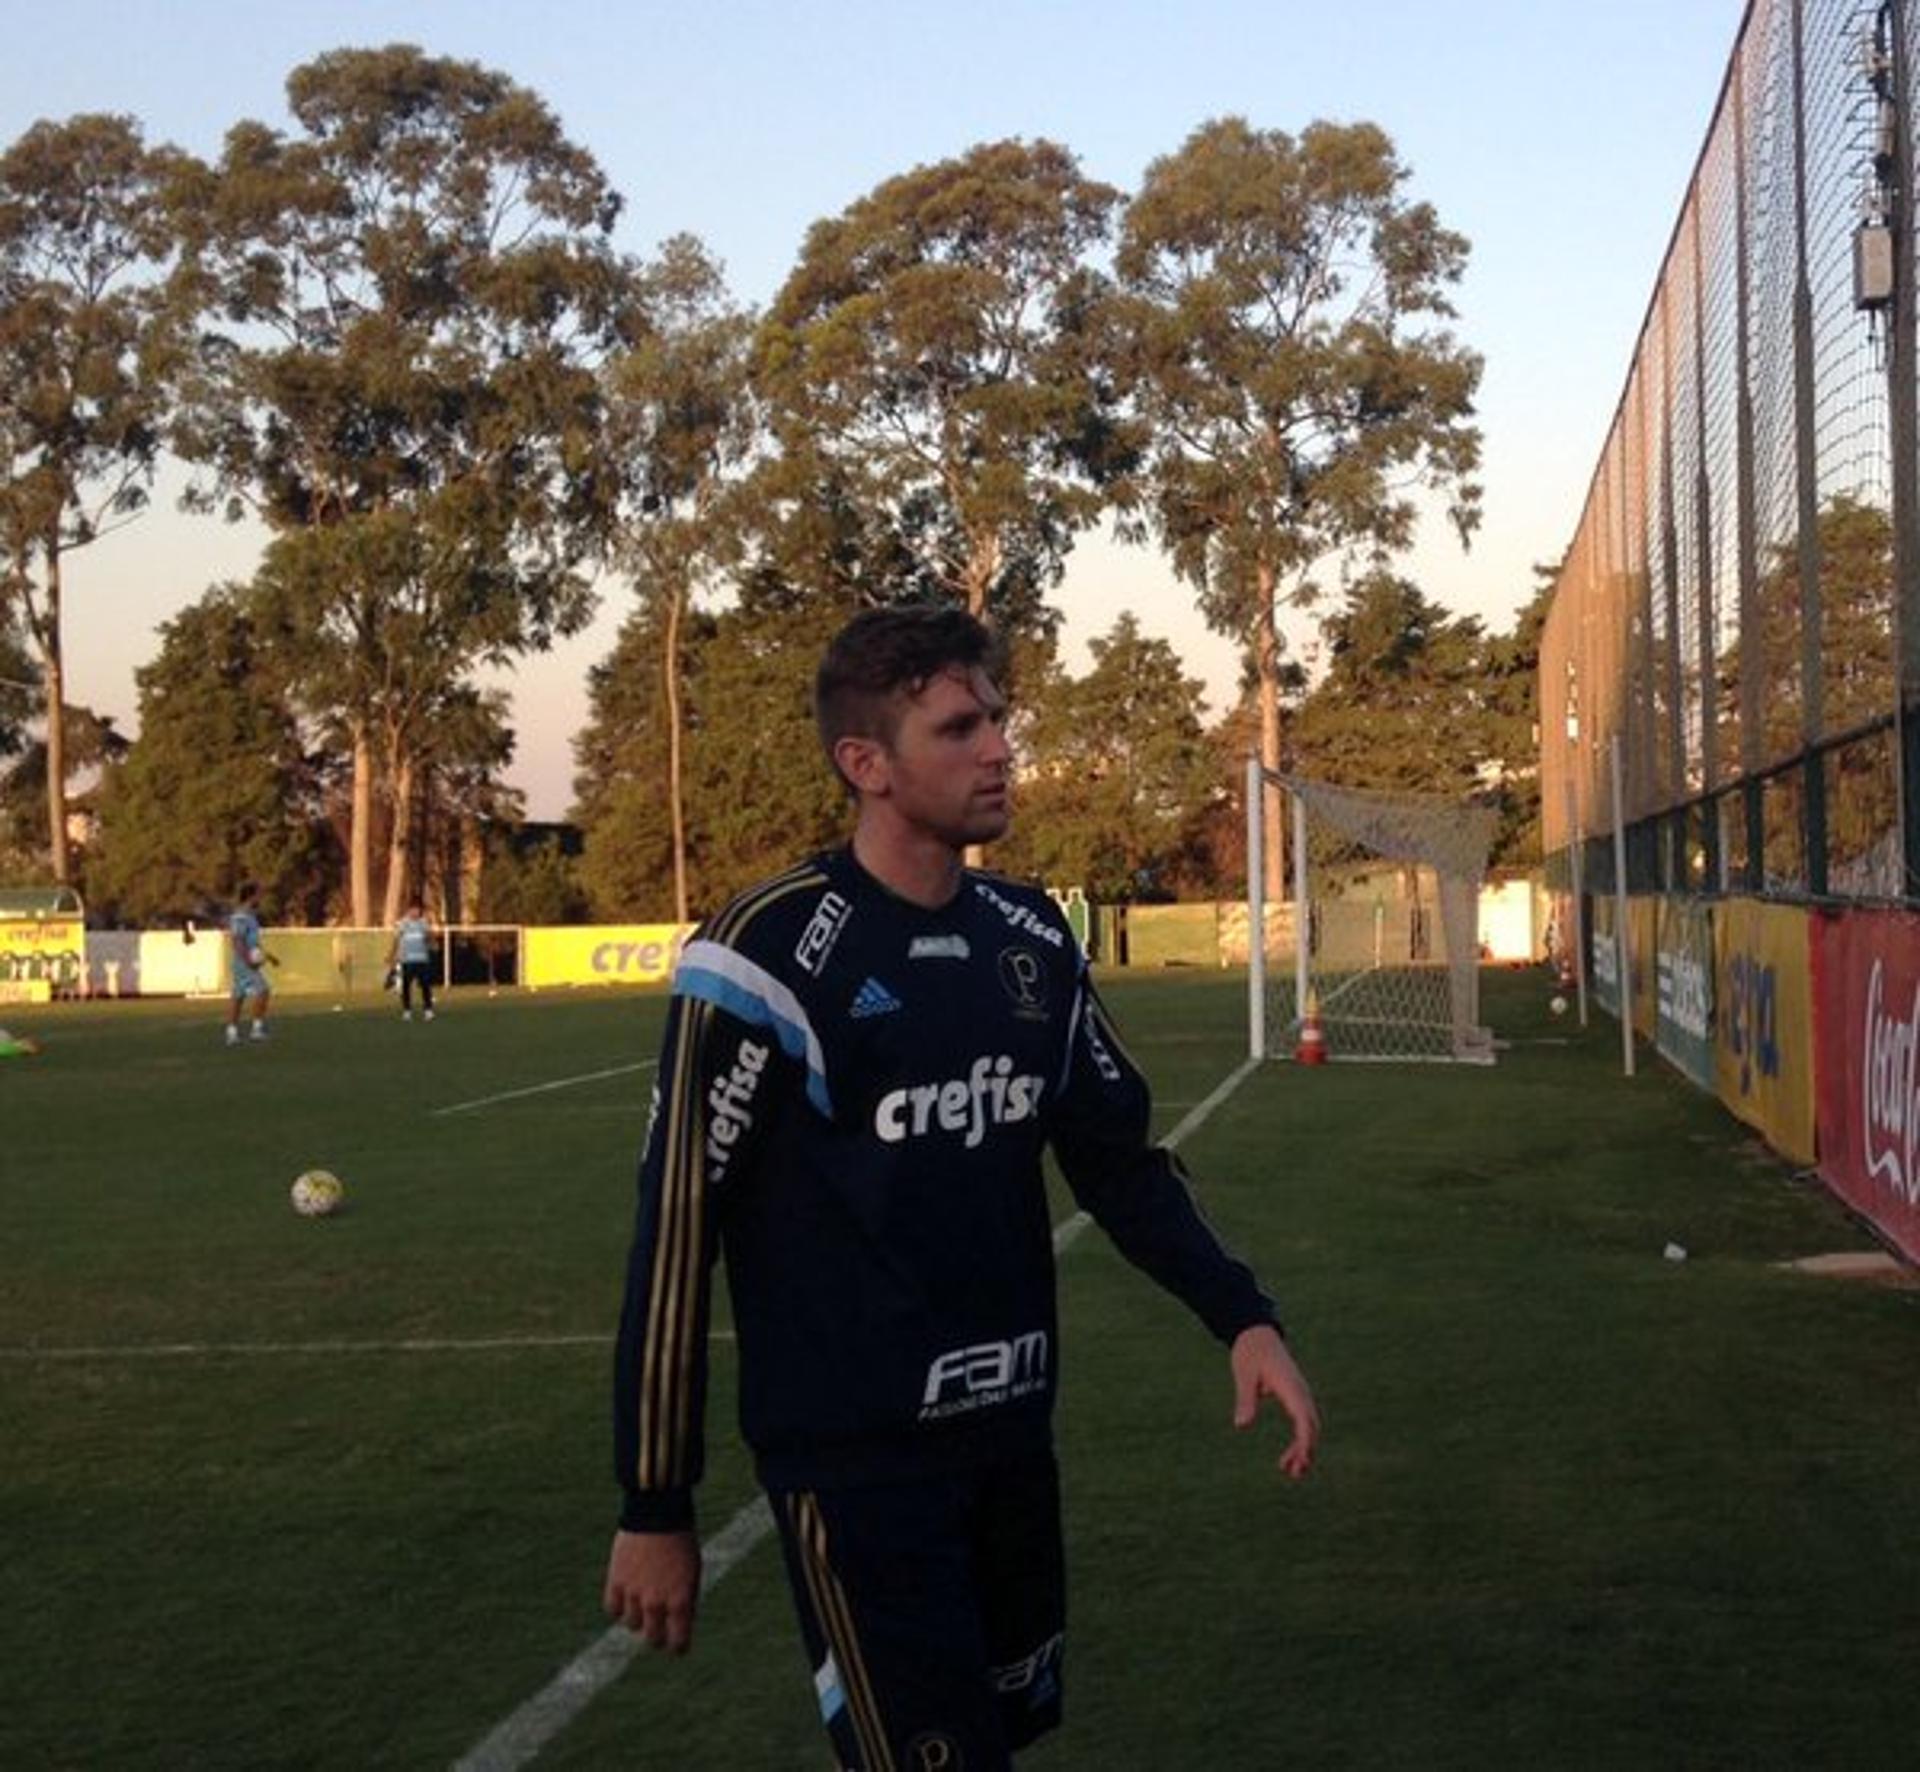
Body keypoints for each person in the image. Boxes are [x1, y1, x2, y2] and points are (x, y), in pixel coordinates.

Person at [604, 605, 1320, 1769]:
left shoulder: (1029, 938)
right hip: (856, 1471)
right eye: (957, 727)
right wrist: (654, 1500)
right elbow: (678, 1230)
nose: (997, 747)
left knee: (999, 1735)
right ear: (865, 764)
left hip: (1009, 1442)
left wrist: (1241, 1312)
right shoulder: (761, 956)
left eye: (997, 718)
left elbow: (1118, 1160)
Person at [225, 881, 273, 1046]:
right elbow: (237, 940)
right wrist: (248, 961)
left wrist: (268, 956)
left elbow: (252, 942)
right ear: (251, 896)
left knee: (238, 996)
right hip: (243, 962)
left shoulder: (250, 916)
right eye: (258, 894)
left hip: (244, 961)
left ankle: (232, 1034)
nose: (260, 898)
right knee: (263, 990)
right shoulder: (240, 917)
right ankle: (256, 1030)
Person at [388, 898, 437, 1021]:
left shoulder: (423, 923)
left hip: (422, 960)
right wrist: (392, 955)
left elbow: (429, 939)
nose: (415, 912)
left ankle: (428, 1010)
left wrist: (430, 940)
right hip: (407, 960)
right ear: (409, 910)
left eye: (417, 909)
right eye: (413, 909)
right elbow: (397, 939)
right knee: (406, 986)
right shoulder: (403, 923)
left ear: (420, 911)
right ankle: (407, 1011)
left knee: (425, 986)